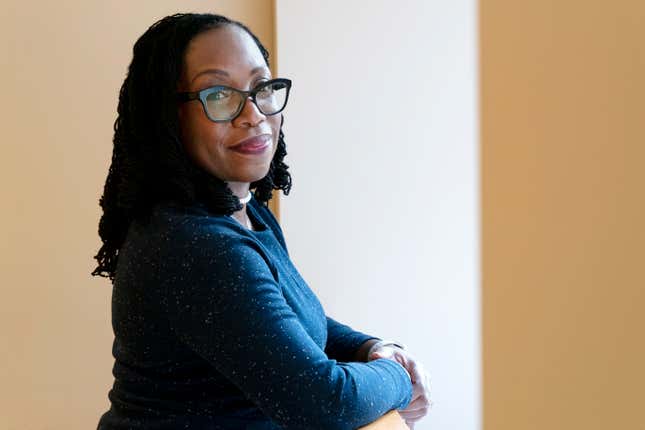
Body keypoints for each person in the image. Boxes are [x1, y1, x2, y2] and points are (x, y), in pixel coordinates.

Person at [93, 12, 431, 430]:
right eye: (219, 95)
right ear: (168, 118)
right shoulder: (195, 245)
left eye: (261, 88)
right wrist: (399, 377)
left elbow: (285, 319)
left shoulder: (244, 211)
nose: (252, 113)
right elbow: (324, 402)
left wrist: (372, 348)